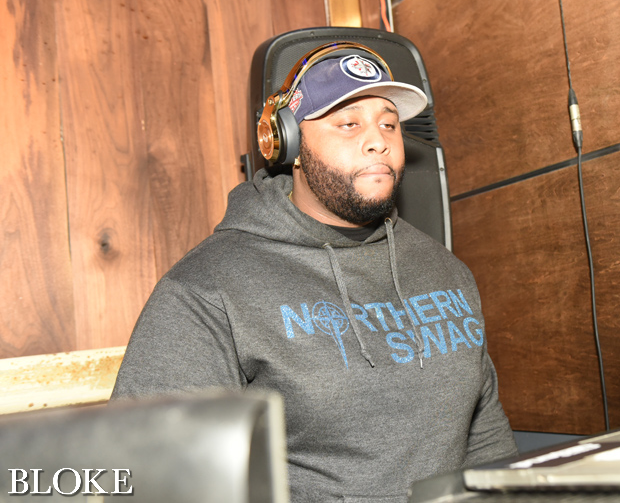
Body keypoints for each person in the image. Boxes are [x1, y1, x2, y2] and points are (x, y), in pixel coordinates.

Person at [111, 49, 517, 502]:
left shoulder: (446, 271)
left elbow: (486, 438)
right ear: (289, 145)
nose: (378, 141)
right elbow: (153, 477)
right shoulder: (206, 290)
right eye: (348, 123)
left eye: (389, 124)